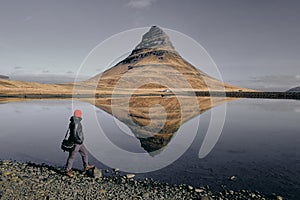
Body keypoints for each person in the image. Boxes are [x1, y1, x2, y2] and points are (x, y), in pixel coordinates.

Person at [65, 109, 94, 177]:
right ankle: (68, 170)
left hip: (79, 143)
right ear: (79, 115)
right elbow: (75, 133)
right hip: (76, 143)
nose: (81, 115)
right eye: (80, 114)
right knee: (72, 157)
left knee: (85, 153)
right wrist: (79, 140)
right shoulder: (76, 122)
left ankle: (86, 166)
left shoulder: (74, 121)